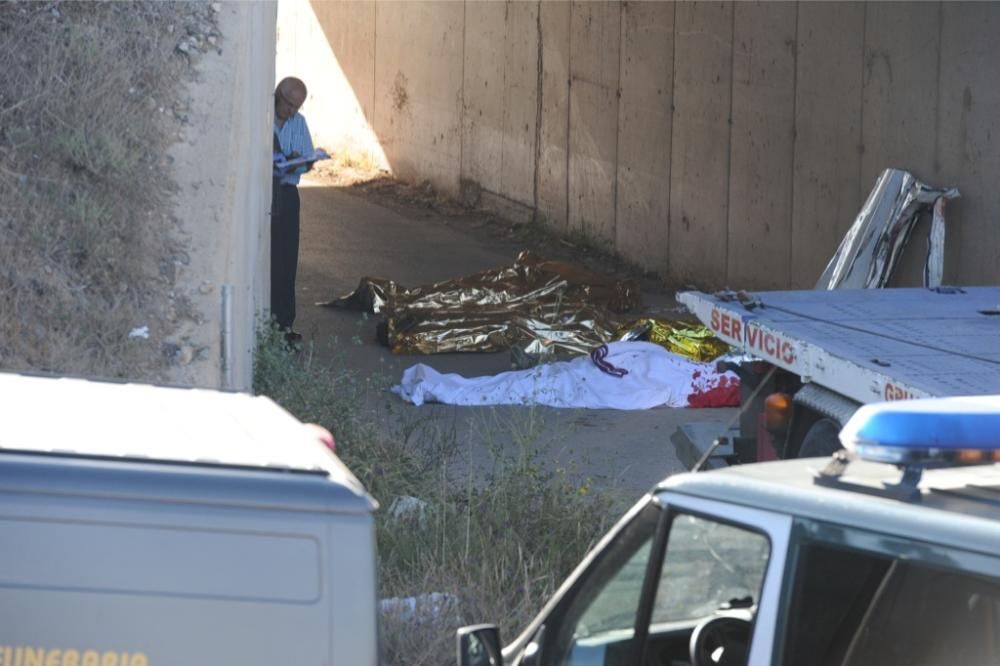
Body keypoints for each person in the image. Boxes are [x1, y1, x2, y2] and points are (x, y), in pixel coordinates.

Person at [271, 76, 314, 343]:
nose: (291, 111)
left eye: (297, 107)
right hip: (266, 194)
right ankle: (267, 322)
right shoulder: (261, 117)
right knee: (269, 261)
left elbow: (307, 159)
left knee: (287, 263)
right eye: (288, 104)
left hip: (287, 195)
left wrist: (289, 163)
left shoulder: (299, 123)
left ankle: (285, 326)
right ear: (278, 95)